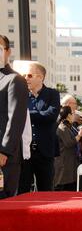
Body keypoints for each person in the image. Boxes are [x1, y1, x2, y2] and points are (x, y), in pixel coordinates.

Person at [18, 62, 60, 193]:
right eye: (24, 75)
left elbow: (51, 116)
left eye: (29, 75)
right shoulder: (21, 95)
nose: (25, 78)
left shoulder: (52, 94)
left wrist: (26, 114)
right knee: (23, 189)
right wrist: (38, 115)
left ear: (41, 77)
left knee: (46, 190)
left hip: (45, 151)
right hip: (25, 152)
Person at [0, 35, 28, 199]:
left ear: (8, 51)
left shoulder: (14, 80)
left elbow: (16, 119)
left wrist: (4, 150)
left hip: (4, 157)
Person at [54, 106, 82, 191]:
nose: (74, 115)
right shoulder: (62, 127)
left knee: (71, 185)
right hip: (64, 162)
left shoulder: (68, 126)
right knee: (63, 187)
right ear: (68, 115)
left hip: (70, 162)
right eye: (72, 113)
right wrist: (80, 134)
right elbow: (70, 143)